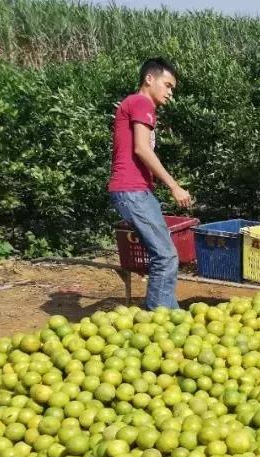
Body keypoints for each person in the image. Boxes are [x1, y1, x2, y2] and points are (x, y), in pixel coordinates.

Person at [108, 57, 192, 311]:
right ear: (149, 79)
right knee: (165, 256)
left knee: (164, 255)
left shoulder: (134, 104)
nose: (170, 93)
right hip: (131, 191)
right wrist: (174, 186)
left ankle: (166, 313)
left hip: (138, 191)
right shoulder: (141, 102)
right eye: (167, 85)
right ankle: (159, 317)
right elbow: (142, 149)